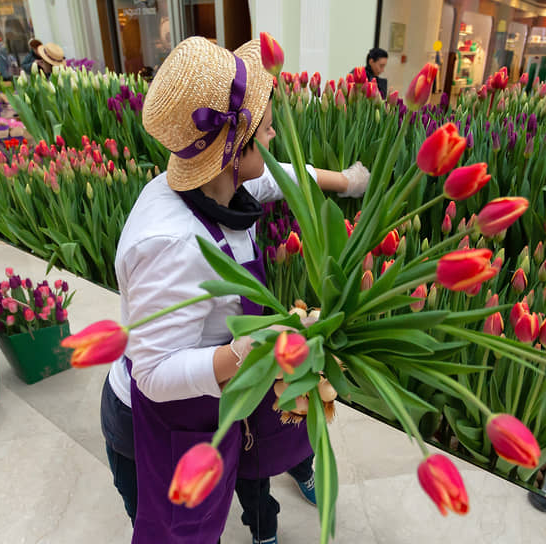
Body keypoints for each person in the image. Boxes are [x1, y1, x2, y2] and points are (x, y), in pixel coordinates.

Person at [101, 36, 369, 544]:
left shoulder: (214, 182)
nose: (272, 125)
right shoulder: (174, 242)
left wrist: (348, 183)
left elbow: (275, 178)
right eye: (262, 121)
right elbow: (154, 373)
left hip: (209, 407)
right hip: (157, 422)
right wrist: (244, 352)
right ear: (230, 147)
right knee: (181, 533)